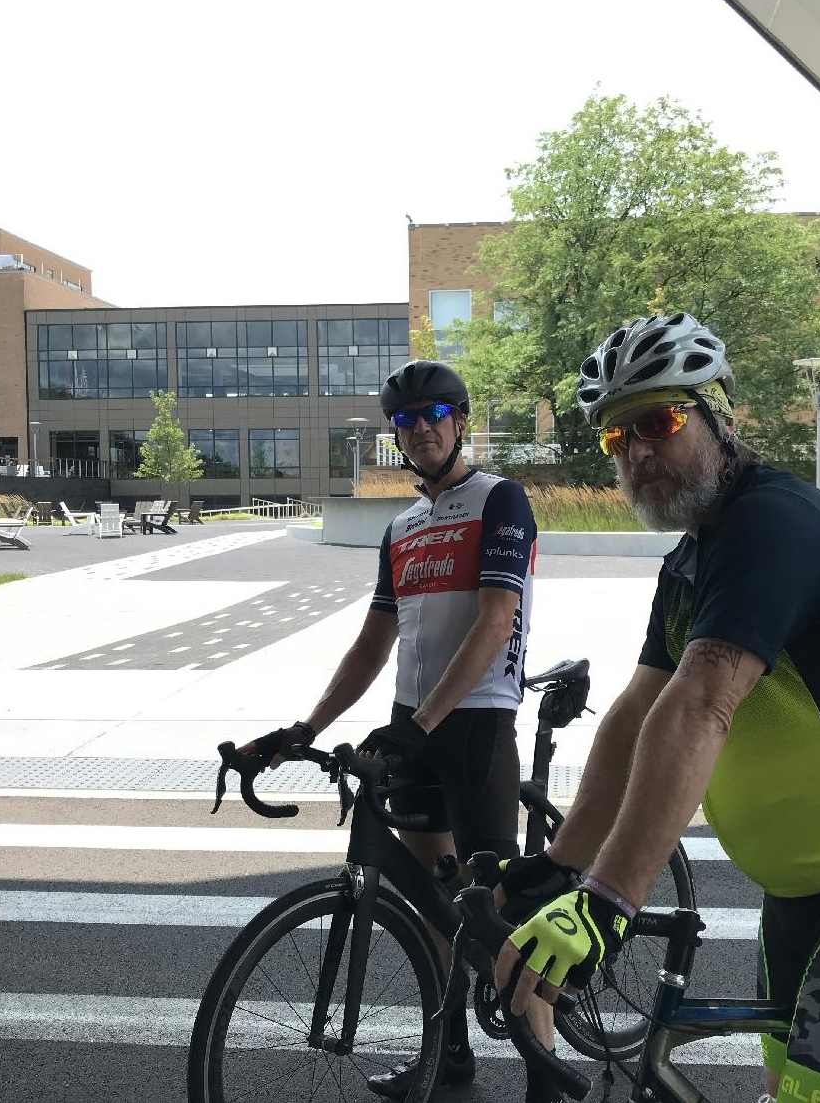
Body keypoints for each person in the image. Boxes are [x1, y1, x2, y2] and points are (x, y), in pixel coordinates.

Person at [493, 313, 820, 1103]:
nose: (638, 451)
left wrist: (606, 900)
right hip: (805, 896)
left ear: (722, 413)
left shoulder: (774, 526)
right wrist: (560, 863)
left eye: (658, 420)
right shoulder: (691, 559)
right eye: (617, 437)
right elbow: (640, 712)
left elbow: (700, 705)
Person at [241, 360, 553, 1100]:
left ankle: (545, 1070)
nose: (420, 430)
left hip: (474, 726)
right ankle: (448, 1057)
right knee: (435, 911)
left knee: (499, 919)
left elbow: (495, 620)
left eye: (434, 414)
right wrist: (304, 726)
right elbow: (373, 642)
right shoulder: (402, 526)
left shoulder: (500, 500)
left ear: (461, 419)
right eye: (404, 421)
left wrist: (424, 723)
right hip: (411, 726)